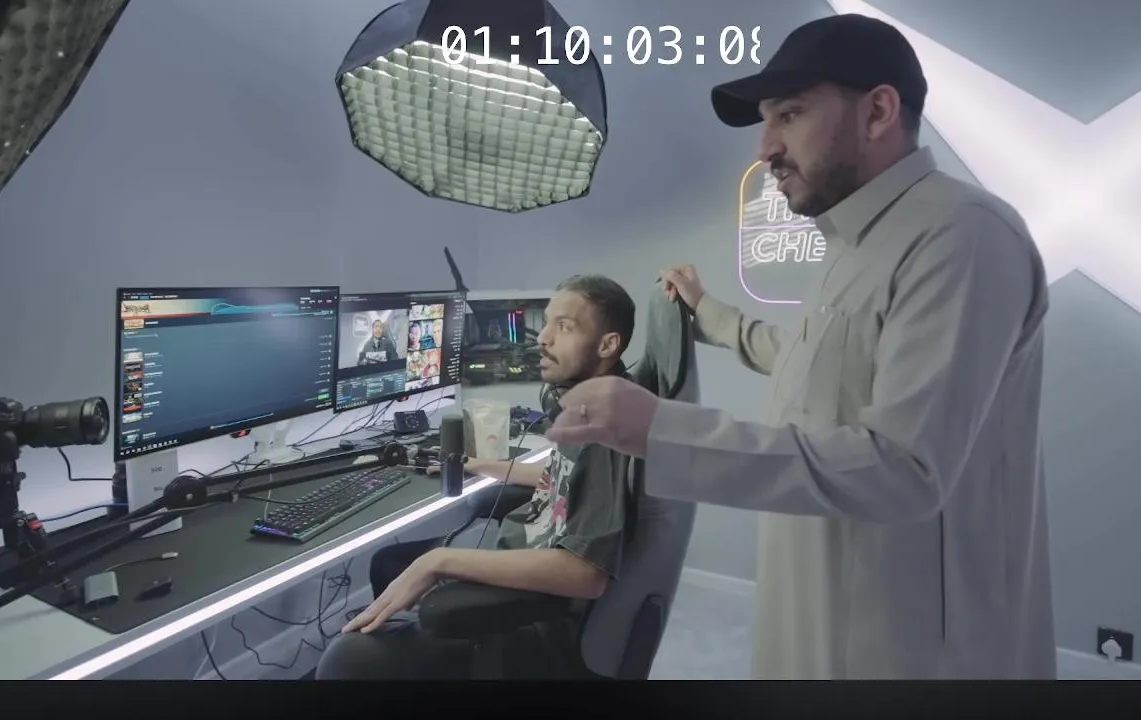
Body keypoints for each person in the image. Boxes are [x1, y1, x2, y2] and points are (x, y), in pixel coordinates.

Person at [546, 14, 1056, 680]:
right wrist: (708, 312)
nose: (765, 148)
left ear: (878, 112)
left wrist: (660, 429)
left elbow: (906, 469)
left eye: (788, 115)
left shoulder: (962, 234)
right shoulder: (856, 245)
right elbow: (809, 363)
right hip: (823, 623)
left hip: (911, 655)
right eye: (766, 122)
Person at [314, 274, 637, 680]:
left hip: (537, 624)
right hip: (522, 555)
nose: (543, 338)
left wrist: (441, 562)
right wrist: (478, 464)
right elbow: (565, 478)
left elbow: (586, 575)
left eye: (565, 327)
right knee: (389, 561)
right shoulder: (592, 406)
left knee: (346, 660)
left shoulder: (605, 429)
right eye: (547, 323)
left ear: (607, 345)